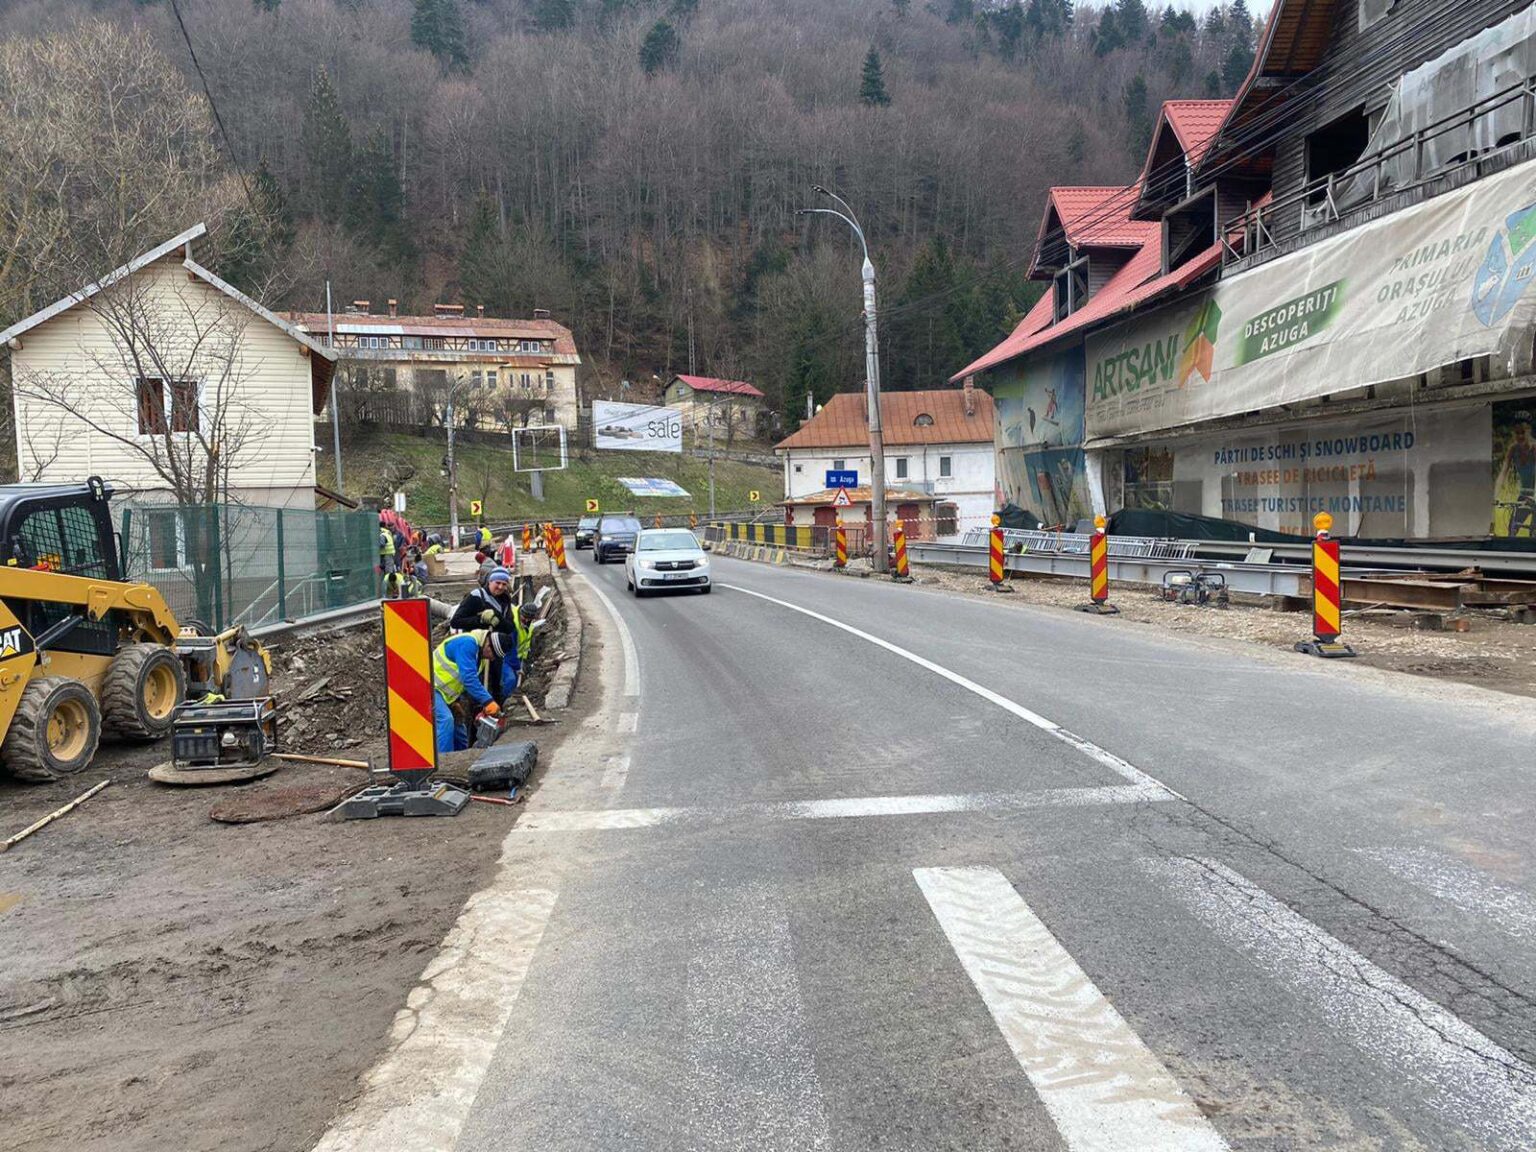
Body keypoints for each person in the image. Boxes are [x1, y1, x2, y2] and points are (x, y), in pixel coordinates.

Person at [431, 629, 506, 753]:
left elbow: (459, 679)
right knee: (446, 720)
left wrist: (457, 701)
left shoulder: (479, 657)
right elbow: (469, 679)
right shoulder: (467, 644)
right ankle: (444, 760)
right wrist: (488, 701)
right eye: (494, 654)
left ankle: (462, 757)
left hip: (447, 695)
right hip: (429, 687)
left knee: (459, 726)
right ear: (488, 646)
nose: (493, 659)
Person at [450, 569, 519, 700]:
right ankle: (475, 708)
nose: (500, 587)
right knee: (474, 683)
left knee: (496, 684)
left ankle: (496, 707)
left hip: (495, 649)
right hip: (475, 649)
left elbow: (510, 628)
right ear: (490, 581)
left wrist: (498, 618)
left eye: (504, 584)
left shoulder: (505, 601)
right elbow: (456, 622)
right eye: (497, 583)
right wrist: (480, 620)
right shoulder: (476, 597)